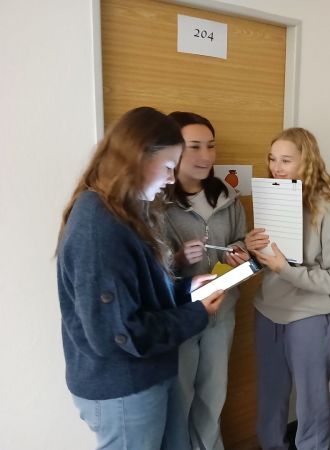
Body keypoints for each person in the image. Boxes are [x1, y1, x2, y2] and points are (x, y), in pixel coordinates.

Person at [56, 106, 225, 450]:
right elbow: (122, 333)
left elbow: (137, 296)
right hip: (123, 385)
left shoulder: (125, 213)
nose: (172, 179)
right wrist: (197, 312)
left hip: (151, 373)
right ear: (136, 158)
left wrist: (185, 289)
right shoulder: (98, 225)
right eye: (168, 166)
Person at [244, 127, 330, 450]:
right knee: (269, 398)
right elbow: (270, 261)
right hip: (267, 313)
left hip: (309, 318)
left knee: (312, 405)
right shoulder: (272, 200)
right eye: (272, 159)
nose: (276, 167)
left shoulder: (328, 210)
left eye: (286, 160)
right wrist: (251, 249)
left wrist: (287, 271)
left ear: (307, 161)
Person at [163, 111, 249, 450]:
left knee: (213, 400)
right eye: (194, 146)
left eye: (210, 146)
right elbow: (150, 270)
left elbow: (241, 239)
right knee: (179, 402)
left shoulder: (228, 196)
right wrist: (179, 259)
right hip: (180, 317)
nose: (206, 155)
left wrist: (239, 252)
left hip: (222, 313)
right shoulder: (158, 200)